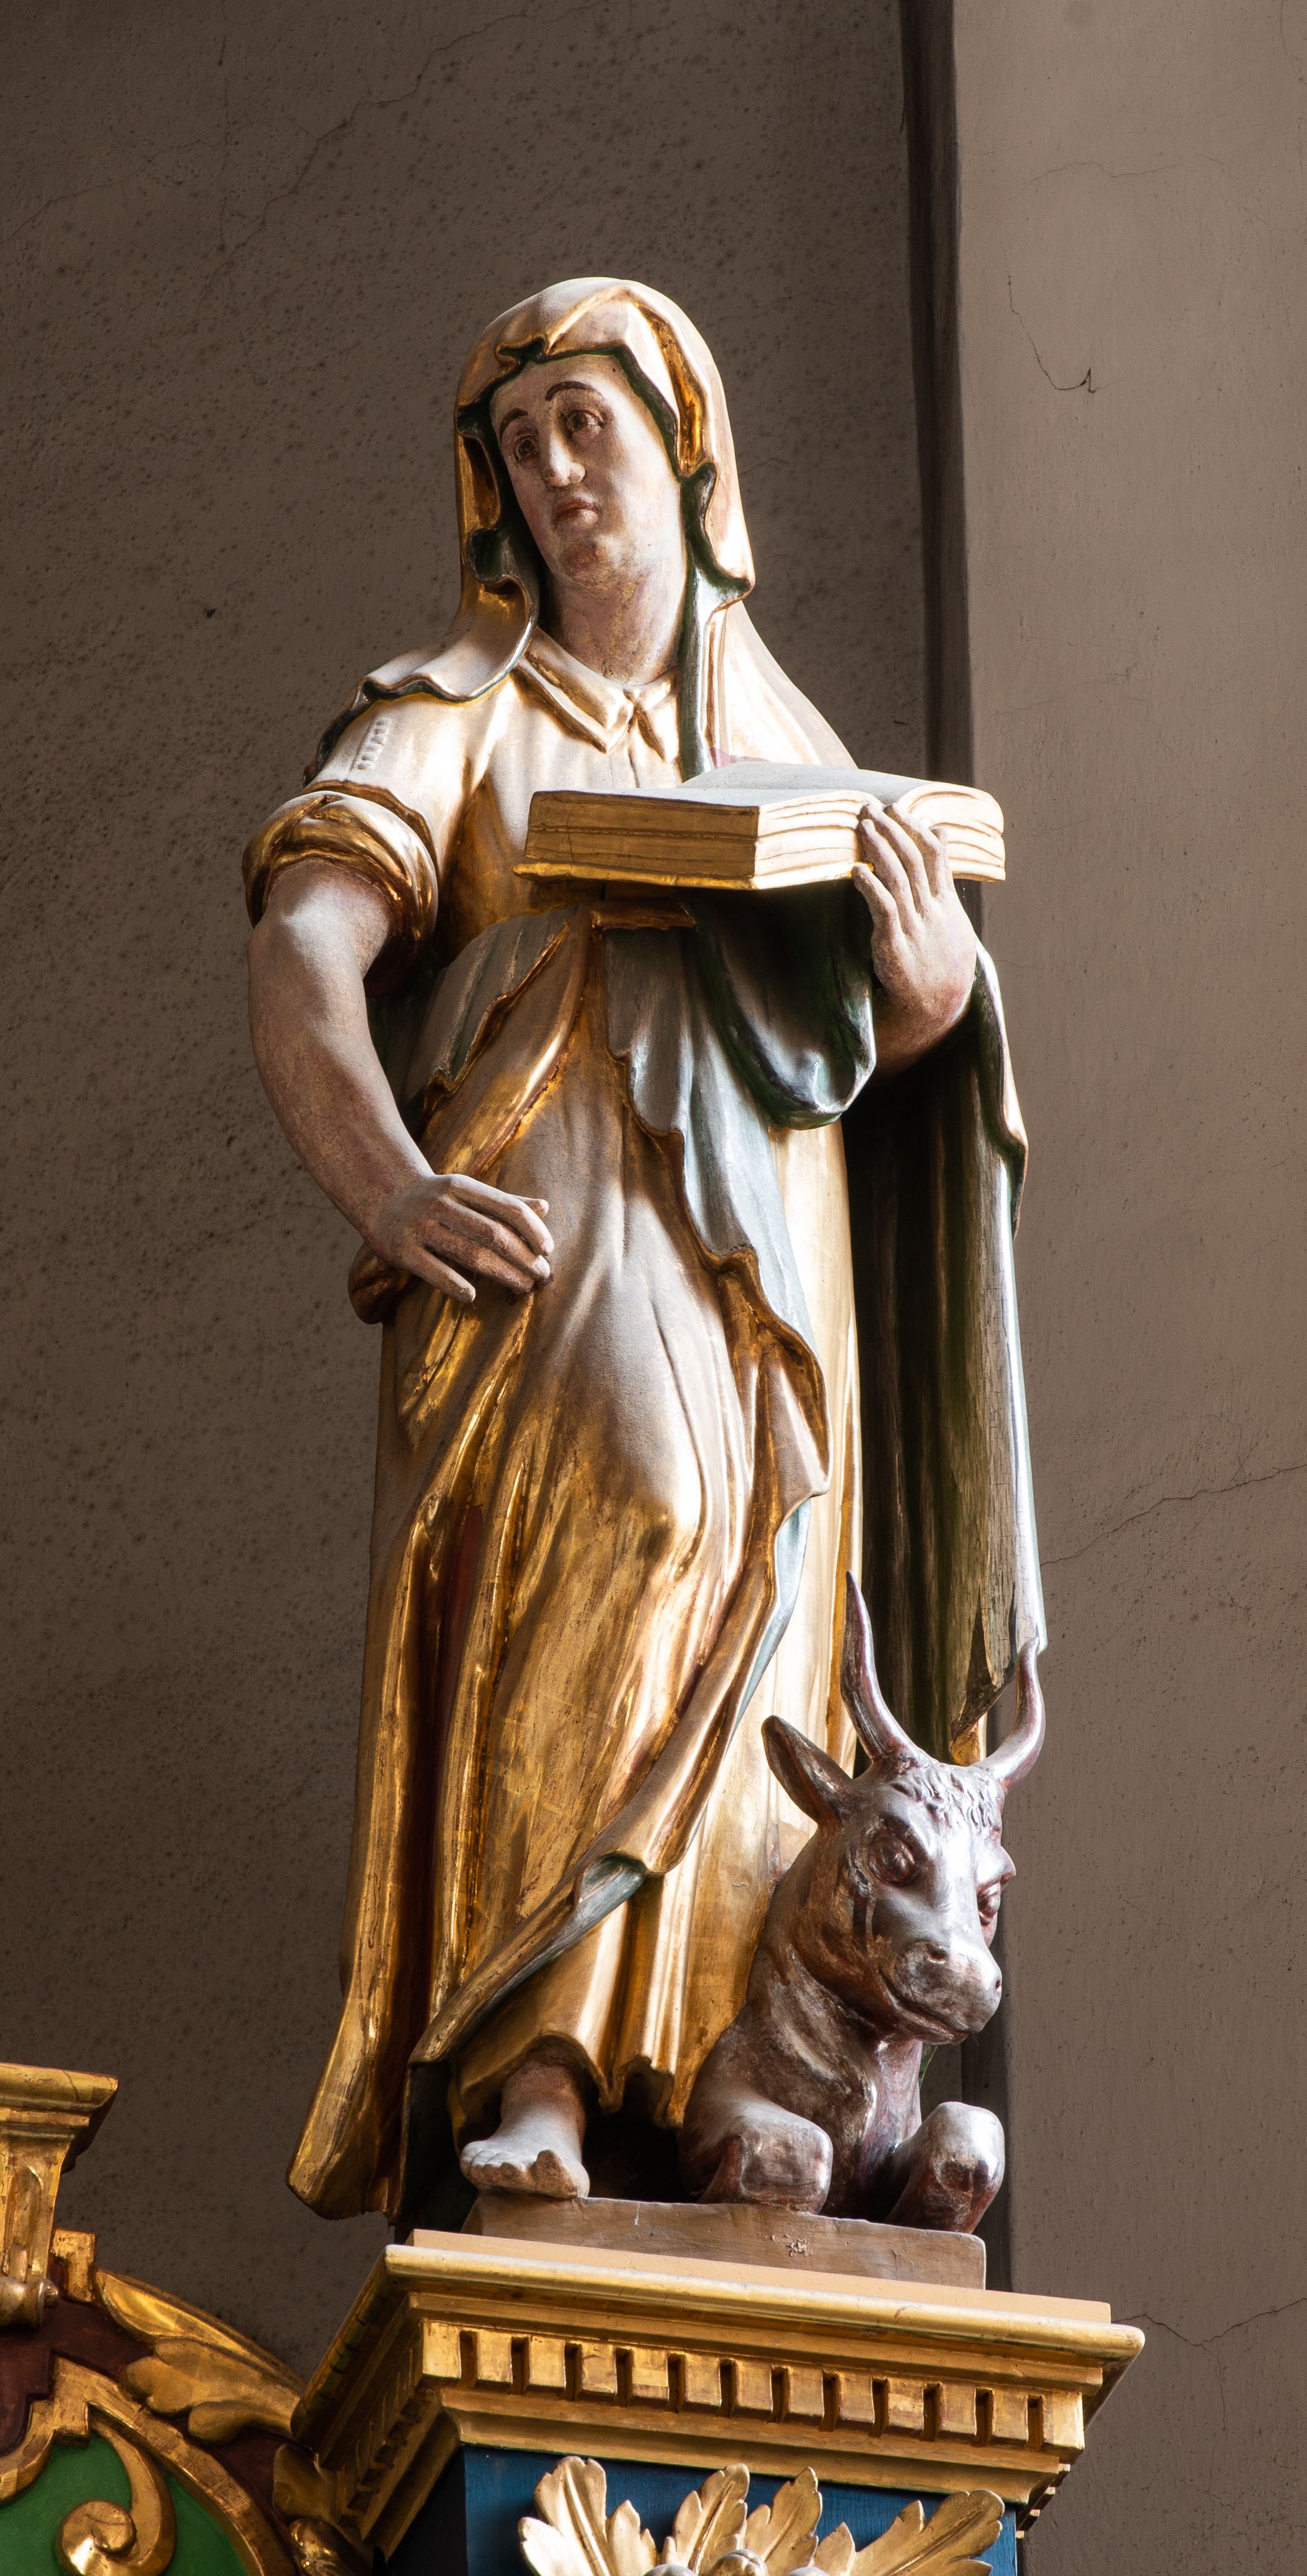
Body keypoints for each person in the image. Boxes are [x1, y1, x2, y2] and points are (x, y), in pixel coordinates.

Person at [244, 276, 1042, 2226]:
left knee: (779, 1612)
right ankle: (540, 2062)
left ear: (688, 455)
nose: (553, 472)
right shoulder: (454, 715)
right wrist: (387, 1187)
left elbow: (879, 1041)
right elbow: (308, 945)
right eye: (518, 445)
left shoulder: (786, 743)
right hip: (562, 1219)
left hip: (779, 1262)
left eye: (586, 425)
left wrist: (930, 991)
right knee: (637, 1531)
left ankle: (753, 2082)